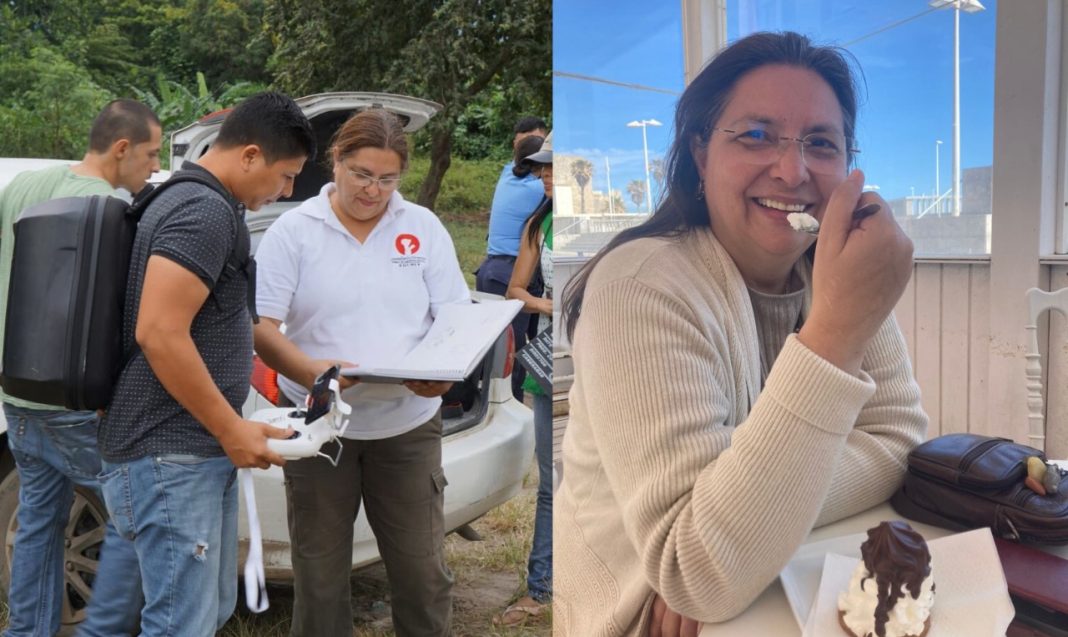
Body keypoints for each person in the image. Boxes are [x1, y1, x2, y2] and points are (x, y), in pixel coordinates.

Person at [554, 32, 927, 636]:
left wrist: (743, 518)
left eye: (821, 143)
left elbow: (898, 441)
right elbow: (700, 569)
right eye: (755, 135)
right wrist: (835, 331)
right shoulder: (643, 283)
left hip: (775, 591)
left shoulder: (831, 272)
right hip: (632, 618)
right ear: (701, 155)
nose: (793, 169)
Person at [95, 91, 314, 636]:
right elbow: (160, 332)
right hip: (170, 453)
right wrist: (229, 426)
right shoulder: (203, 210)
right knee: (179, 626)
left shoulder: (205, 204)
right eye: (285, 176)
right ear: (249, 156)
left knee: (204, 615)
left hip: (190, 451)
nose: (286, 191)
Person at [253, 108, 468, 637]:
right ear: (336, 161)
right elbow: (261, 325)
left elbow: (456, 316)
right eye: (362, 175)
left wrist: (443, 372)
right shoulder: (294, 230)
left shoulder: (421, 226)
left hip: (407, 425)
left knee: (421, 572)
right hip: (321, 428)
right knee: (321, 576)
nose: (374, 191)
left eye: (388, 179)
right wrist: (313, 373)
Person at [0, 98, 161, 637]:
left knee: (39, 526)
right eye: (151, 154)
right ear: (122, 148)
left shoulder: (23, 187)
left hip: (17, 395)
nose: (154, 167)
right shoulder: (107, 211)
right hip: (73, 404)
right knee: (130, 514)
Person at [497, 133, 554, 626]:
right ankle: (541, 588)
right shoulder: (539, 224)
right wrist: (551, 304)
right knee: (552, 482)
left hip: (605, 357)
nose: (547, 177)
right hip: (554, 361)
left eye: (556, 168)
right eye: (544, 169)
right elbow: (515, 288)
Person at [476, 116, 548, 401]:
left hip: (493, 269)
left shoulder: (507, 173)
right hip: (510, 271)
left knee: (504, 348)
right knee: (510, 354)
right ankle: (509, 409)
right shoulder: (537, 189)